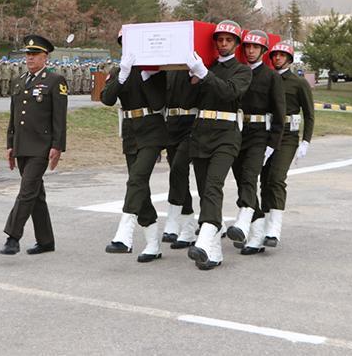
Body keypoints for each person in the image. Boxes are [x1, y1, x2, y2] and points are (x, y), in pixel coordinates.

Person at [185, 20, 253, 271]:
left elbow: (230, 93)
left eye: (228, 40)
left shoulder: (242, 71)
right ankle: (213, 253)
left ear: (236, 44)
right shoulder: (207, 67)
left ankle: (203, 241)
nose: (223, 44)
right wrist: (191, 78)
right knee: (204, 189)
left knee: (214, 184)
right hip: (202, 132)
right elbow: (189, 100)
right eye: (220, 40)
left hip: (226, 134)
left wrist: (203, 74)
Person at [101, 30, 167, 263]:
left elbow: (159, 102)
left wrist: (148, 78)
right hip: (130, 131)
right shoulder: (119, 71)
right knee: (141, 188)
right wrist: (122, 76)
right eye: (124, 43)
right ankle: (152, 242)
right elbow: (107, 99)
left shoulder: (154, 70)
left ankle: (125, 233)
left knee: (136, 179)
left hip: (152, 130)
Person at [0, 34, 68, 256]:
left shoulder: (54, 80)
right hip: (22, 145)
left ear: (45, 57)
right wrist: (10, 144)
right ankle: (46, 240)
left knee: (27, 190)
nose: (29, 58)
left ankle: (13, 236)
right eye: (27, 54)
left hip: (41, 145)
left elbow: (59, 118)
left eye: (34, 54)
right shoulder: (19, 81)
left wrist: (57, 146)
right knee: (36, 195)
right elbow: (14, 116)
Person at [247, 41, 315, 253]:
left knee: (276, 178)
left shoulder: (298, 82)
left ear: (289, 59)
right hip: (267, 133)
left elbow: (309, 113)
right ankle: (263, 228)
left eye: (282, 55)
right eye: (274, 55)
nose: (277, 58)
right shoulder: (267, 77)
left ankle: (274, 228)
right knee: (264, 180)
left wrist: (306, 140)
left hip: (288, 136)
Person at [225, 30, 285, 252]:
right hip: (237, 132)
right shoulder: (238, 73)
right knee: (242, 182)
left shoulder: (272, 77)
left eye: (255, 48)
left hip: (260, 134)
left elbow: (280, 113)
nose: (250, 51)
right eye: (247, 47)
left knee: (250, 178)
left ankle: (244, 224)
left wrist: (272, 144)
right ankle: (257, 234)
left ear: (263, 51)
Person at [161, 67, 199, 249]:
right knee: (179, 175)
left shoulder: (195, 65)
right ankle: (190, 226)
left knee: (178, 168)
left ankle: (174, 218)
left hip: (192, 124)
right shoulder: (168, 68)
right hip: (172, 124)